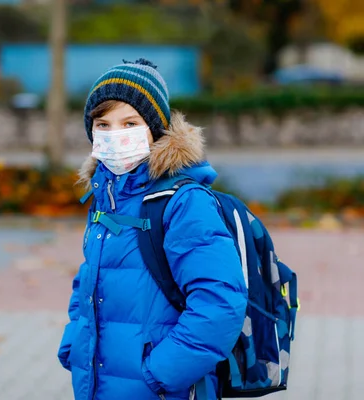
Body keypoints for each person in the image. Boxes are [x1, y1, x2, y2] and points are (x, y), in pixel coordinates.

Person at [57, 58, 248, 400]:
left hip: (161, 390)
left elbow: (220, 303)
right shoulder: (106, 196)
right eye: (103, 124)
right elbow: (89, 280)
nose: (115, 135)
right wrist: (74, 343)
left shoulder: (184, 203)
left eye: (129, 122)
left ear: (155, 130)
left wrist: (159, 374)